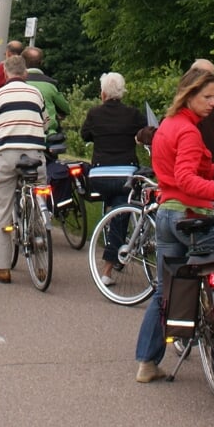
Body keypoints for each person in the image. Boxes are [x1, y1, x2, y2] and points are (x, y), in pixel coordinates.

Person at [135, 67, 214, 384]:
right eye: (207, 97)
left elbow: (190, 168)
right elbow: (186, 177)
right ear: (190, 95)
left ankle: (147, 361)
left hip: (167, 215)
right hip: (193, 215)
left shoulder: (168, 126)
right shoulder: (188, 131)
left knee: (164, 291)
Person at [0, 54, 45, 284]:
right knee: (39, 196)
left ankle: (2, 268)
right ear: (25, 74)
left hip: (6, 155)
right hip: (35, 154)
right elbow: (45, 122)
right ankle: (41, 239)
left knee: (2, 207)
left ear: (5, 75)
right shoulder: (36, 93)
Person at [82, 71, 145, 278]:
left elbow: (85, 135)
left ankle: (111, 248)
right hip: (125, 174)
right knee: (121, 210)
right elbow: (145, 134)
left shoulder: (94, 114)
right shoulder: (133, 114)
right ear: (122, 92)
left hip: (98, 175)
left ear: (103, 94)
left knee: (115, 206)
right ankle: (109, 267)